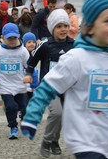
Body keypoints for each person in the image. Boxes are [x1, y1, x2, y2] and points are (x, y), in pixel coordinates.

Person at [21, 0, 108, 159]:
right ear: (90, 27)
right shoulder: (78, 57)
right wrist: (32, 116)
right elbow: (47, 87)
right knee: (57, 113)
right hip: (86, 138)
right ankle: (49, 140)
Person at [23, 9, 74, 158]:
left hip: (68, 87)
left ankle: (54, 141)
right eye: (59, 26)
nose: (63, 29)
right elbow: (31, 62)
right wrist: (28, 74)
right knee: (56, 112)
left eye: (65, 25)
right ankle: (46, 141)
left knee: (63, 116)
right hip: (49, 87)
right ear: (52, 28)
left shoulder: (75, 45)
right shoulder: (45, 45)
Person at [0, 23, 29, 139]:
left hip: (20, 85)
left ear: (18, 37)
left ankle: (23, 117)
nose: (12, 41)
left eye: (14, 38)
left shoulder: (23, 51)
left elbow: (29, 67)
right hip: (5, 85)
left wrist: (33, 79)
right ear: (2, 38)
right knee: (11, 107)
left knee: (24, 107)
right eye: (9, 38)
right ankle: (13, 127)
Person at [22, 32, 39, 102]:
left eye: (33, 42)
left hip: (33, 85)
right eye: (29, 42)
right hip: (24, 85)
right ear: (24, 44)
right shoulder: (22, 54)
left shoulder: (37, 53)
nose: (32, 44)